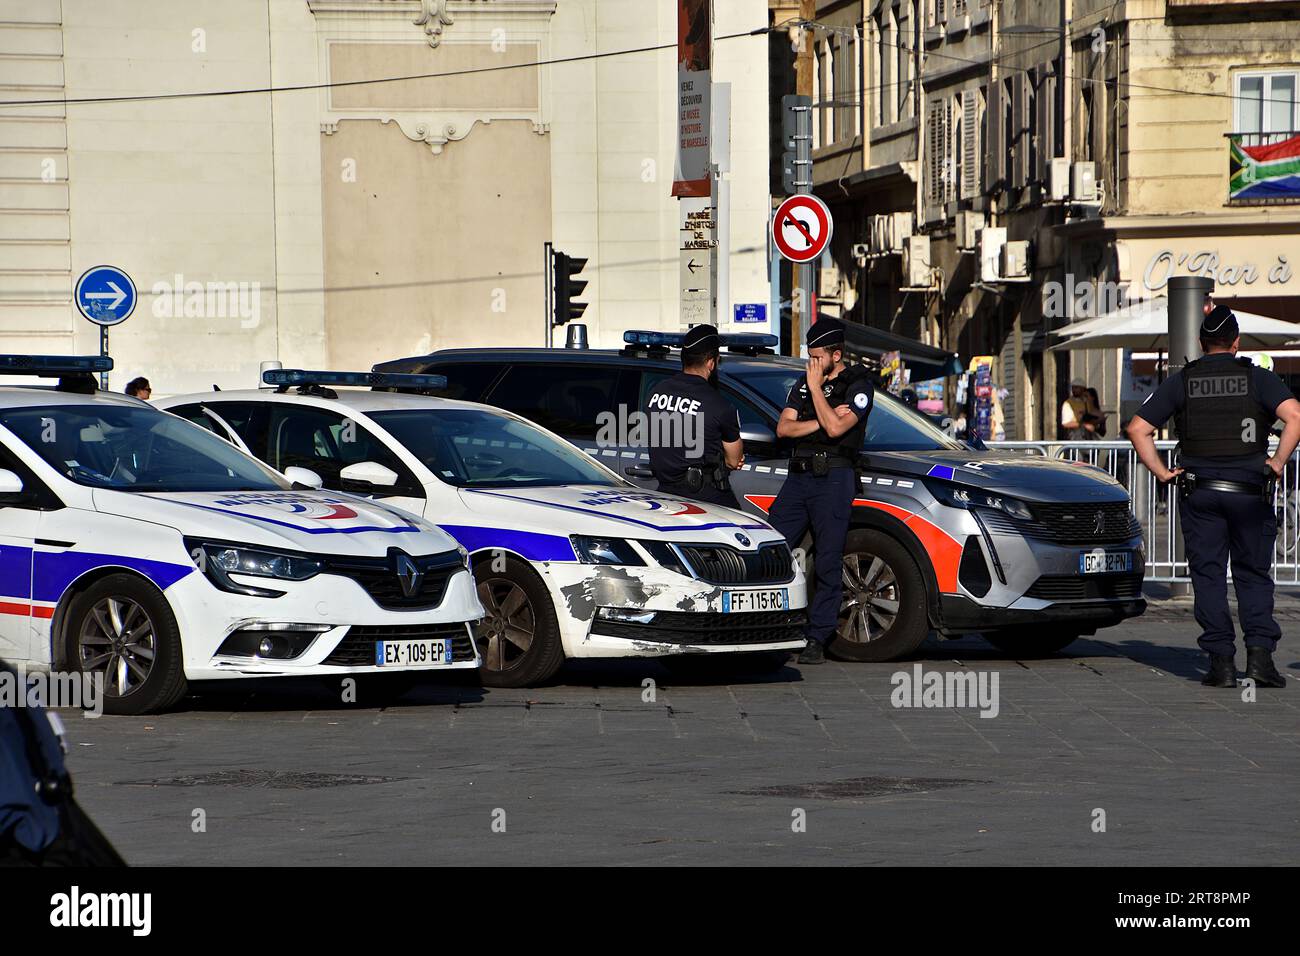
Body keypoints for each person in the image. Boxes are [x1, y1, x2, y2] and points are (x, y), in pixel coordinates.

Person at [1125, 305, 1300, 688]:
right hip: (1250, 492)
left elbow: (1138, 429)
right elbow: (1295, 417)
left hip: (1200, 492)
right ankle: (1259, 661)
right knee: (1252, 574)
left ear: (1202, 344)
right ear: (1236, 343)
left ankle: (1220, 663)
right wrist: (1277, 462)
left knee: (1207, 576)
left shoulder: (1183, 381)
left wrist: (1162, 473)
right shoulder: (1258, 378)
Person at [768, 318, 874, 665]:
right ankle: (772, 626)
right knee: (773, 550)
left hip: (833, 477)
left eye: (816, 357)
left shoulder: (857, 386)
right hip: (798, 478)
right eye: (808, 357)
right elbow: (784, 428)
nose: (810, 364)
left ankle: (817, 637)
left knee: (828, 560)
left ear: (836, 354)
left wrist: (816, 395)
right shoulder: (802, 383)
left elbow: (837, 427)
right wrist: (818, 417)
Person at [645, 324, 744, 508]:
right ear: (710, 362)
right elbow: (734, 460)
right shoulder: (718, 404)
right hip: (706, 498)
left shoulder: (656, 392)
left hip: (665, 495)